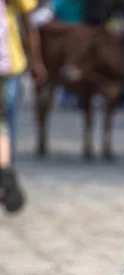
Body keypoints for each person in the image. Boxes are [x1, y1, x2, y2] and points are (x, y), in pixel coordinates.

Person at [4, 0, 46, 164]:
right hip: (8, 64)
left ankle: (5, 177)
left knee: (5, 124)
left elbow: (27, 21)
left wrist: (36, 61)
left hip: (8, 65)